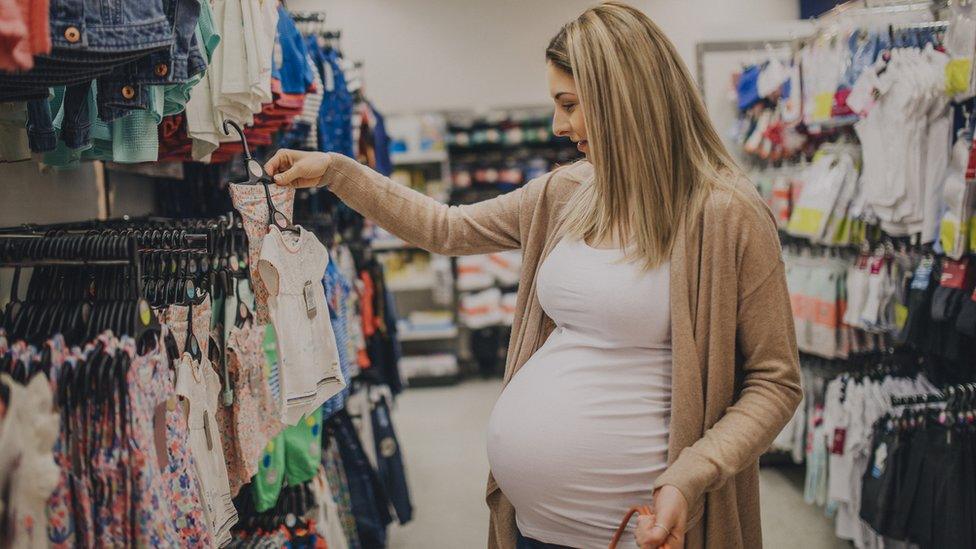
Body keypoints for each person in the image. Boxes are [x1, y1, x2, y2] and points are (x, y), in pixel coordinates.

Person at [264, 2, 801, 548]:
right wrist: (337, 171)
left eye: (569, 104)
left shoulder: (727, 213)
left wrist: (689, 477)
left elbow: (775, 382)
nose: (557, 125)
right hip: (534, 529)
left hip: (643, 531)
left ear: (623, 97)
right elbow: (445, 228)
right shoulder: (568, 192)